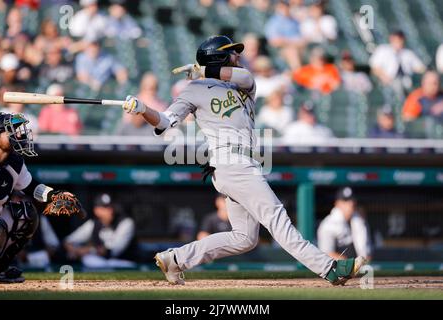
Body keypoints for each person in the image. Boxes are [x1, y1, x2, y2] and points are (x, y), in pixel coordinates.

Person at [121, 35, 366, 286]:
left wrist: (203, 69)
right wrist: (142, 109)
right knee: (275, 216)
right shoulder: (193, 90)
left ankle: (175, 259)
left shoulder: (243, 83)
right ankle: (330, 268)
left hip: (244, 162)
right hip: (230, 161)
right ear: (219, 57)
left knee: (244, 238)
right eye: (232, 53)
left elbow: (245, 77)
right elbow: (164, 122)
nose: (238, 57)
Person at [0, 112, 84, 283]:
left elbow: (32, 187)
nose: (18, 134)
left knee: (27, 215)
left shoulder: (15, 162)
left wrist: (55, 196)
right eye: (10, 131)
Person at [64, 193, 139, 269]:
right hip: (100, 263)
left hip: (124, 263)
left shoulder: (126, 222)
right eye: (104, 208)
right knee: (89, 260)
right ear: (96, 210)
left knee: (96, 261)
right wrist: (75, 250)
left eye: (110, 207)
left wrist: (88, 250)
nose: (110, 211)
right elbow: (68, 241)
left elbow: (112, 250)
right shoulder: (93, 224)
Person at [317, 187, 372, 261]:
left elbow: (367, 252)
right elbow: (326, 254)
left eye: (352, 200)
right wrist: (349, 265)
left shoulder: (359, 220)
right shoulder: (327, 224)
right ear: (337, 203)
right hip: (337, 269)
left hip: (359, 267)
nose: (350, 204)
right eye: (345, 201)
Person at [369, 30, 426, 96]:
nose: (399, 42)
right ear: (391, 39)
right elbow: (373, 67)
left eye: (400, 40)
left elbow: (420, 68)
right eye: (397, 40)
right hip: (388, 83)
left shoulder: (408, 54)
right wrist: (383, 76)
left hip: (407, 83)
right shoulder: (383, 50)